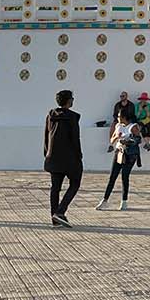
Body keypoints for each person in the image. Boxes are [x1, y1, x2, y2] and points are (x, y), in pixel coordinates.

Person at [45, 90, 84, 227]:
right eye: (72, 99)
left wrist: (47, 154)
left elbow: (47, 135)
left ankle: (54, 219)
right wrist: (79, 155)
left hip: (53, 156)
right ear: (68, 101)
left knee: (55, 187)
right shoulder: (72, 117)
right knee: (75, 183)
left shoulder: (51, 115)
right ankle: (60, 212)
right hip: (70, 158)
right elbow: (75, 138)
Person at [95, 108, 142, 211]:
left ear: (125, 117)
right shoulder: (118, 126)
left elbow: (138, 139)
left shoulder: (132, 127)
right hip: (119, 152)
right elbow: (112, 140)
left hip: (129, 154)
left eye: (119, 116)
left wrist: (128, 141)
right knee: (112, 177)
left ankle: (124, 201)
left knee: (125, 177)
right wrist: (116, 137)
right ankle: (104, 200)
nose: (118, 118)